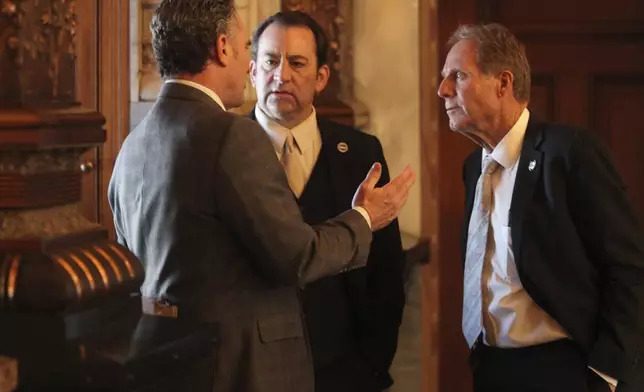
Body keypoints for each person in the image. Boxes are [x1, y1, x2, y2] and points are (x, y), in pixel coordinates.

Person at [107, 1, 415, 392]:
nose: (256, 70)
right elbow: (298, 257)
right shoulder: (233, 135)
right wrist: (366, 218)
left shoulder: (132, 145)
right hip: (240, 370)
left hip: (166, 364)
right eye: (247, 51)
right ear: (222, 48)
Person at [437, 23, 644, 392]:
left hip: (565, 370)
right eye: (444, 78)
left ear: (503, 83)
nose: (443, 90)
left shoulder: (569, 153)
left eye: (459, 76)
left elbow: (628, 268)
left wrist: (606, 372)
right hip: (492, 367)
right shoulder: (474, 167)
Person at [248, 11, 404, 392]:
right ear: (252, 71)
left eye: (297, 63)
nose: (281, 75)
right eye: (270, 61)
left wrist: (371, 365)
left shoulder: (361, 153)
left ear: (321, 78)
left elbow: (386, 273)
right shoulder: (224, 148)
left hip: (343, 372)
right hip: (253, 373)